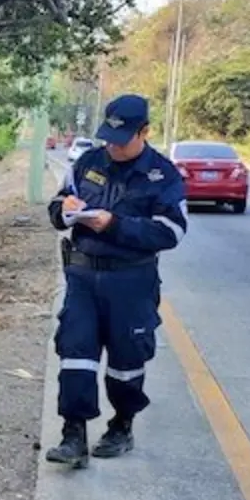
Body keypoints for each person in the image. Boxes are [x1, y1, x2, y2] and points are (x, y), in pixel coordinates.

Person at [43, 94, 188, 468]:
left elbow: (171, 231)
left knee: (127, 359)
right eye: (109, 136)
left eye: (122, 138)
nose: (114, 145)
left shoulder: (164, 175)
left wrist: (115, 224)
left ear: (145, 132)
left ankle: (122, 425)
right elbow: (57, 207)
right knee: (75, 353)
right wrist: (65, 210)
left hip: (132, 281)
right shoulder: (88, 162)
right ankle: (73, 435)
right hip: (83, 275)